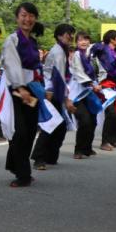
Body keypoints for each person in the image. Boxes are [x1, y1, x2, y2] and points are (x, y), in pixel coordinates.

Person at [1, 2, 43, 187]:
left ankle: (17, 166)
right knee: (20, 131)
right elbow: (11, 63)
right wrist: (20, 87)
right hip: (14, 88)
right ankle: (22, 174)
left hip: (32, 88)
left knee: (31, 130)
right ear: (17, 18)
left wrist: (40, 88)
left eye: (31, 15)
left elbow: (36, 67)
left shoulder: (33, 42)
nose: (27, 19)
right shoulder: (12, 39)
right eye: (24, 15)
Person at [31, 23, 75, 171]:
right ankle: (39, 157)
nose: (69, 36)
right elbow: (58, 77)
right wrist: (66, 99)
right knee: (52, 125)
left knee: (59, 126)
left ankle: (50, 156)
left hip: (55, 90)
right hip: (51, 91)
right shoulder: (58, 52)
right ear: (58, 35)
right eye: (66, 33)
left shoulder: (62, 51)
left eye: (70, 34)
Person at [69, 31, 102, 159]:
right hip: (77, 92)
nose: (84, 42)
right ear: (76, 42)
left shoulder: (90, 56)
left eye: (86, 39)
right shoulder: (77, 54)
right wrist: (92, 84)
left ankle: (87, 148)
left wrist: (97, 84)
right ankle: (78, 150)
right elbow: (78, 73)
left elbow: (97, 72)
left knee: (92, 121)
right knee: (85, 120)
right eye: (80, 40)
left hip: (89, 91)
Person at [91, 30, 116, 151]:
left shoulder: (113, 51)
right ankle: (104, 141)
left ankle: (111, 139)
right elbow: (109, 66)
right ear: (112, 39)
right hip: (102, 84)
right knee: (111, 114)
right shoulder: (103, 49)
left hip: (112, 86)